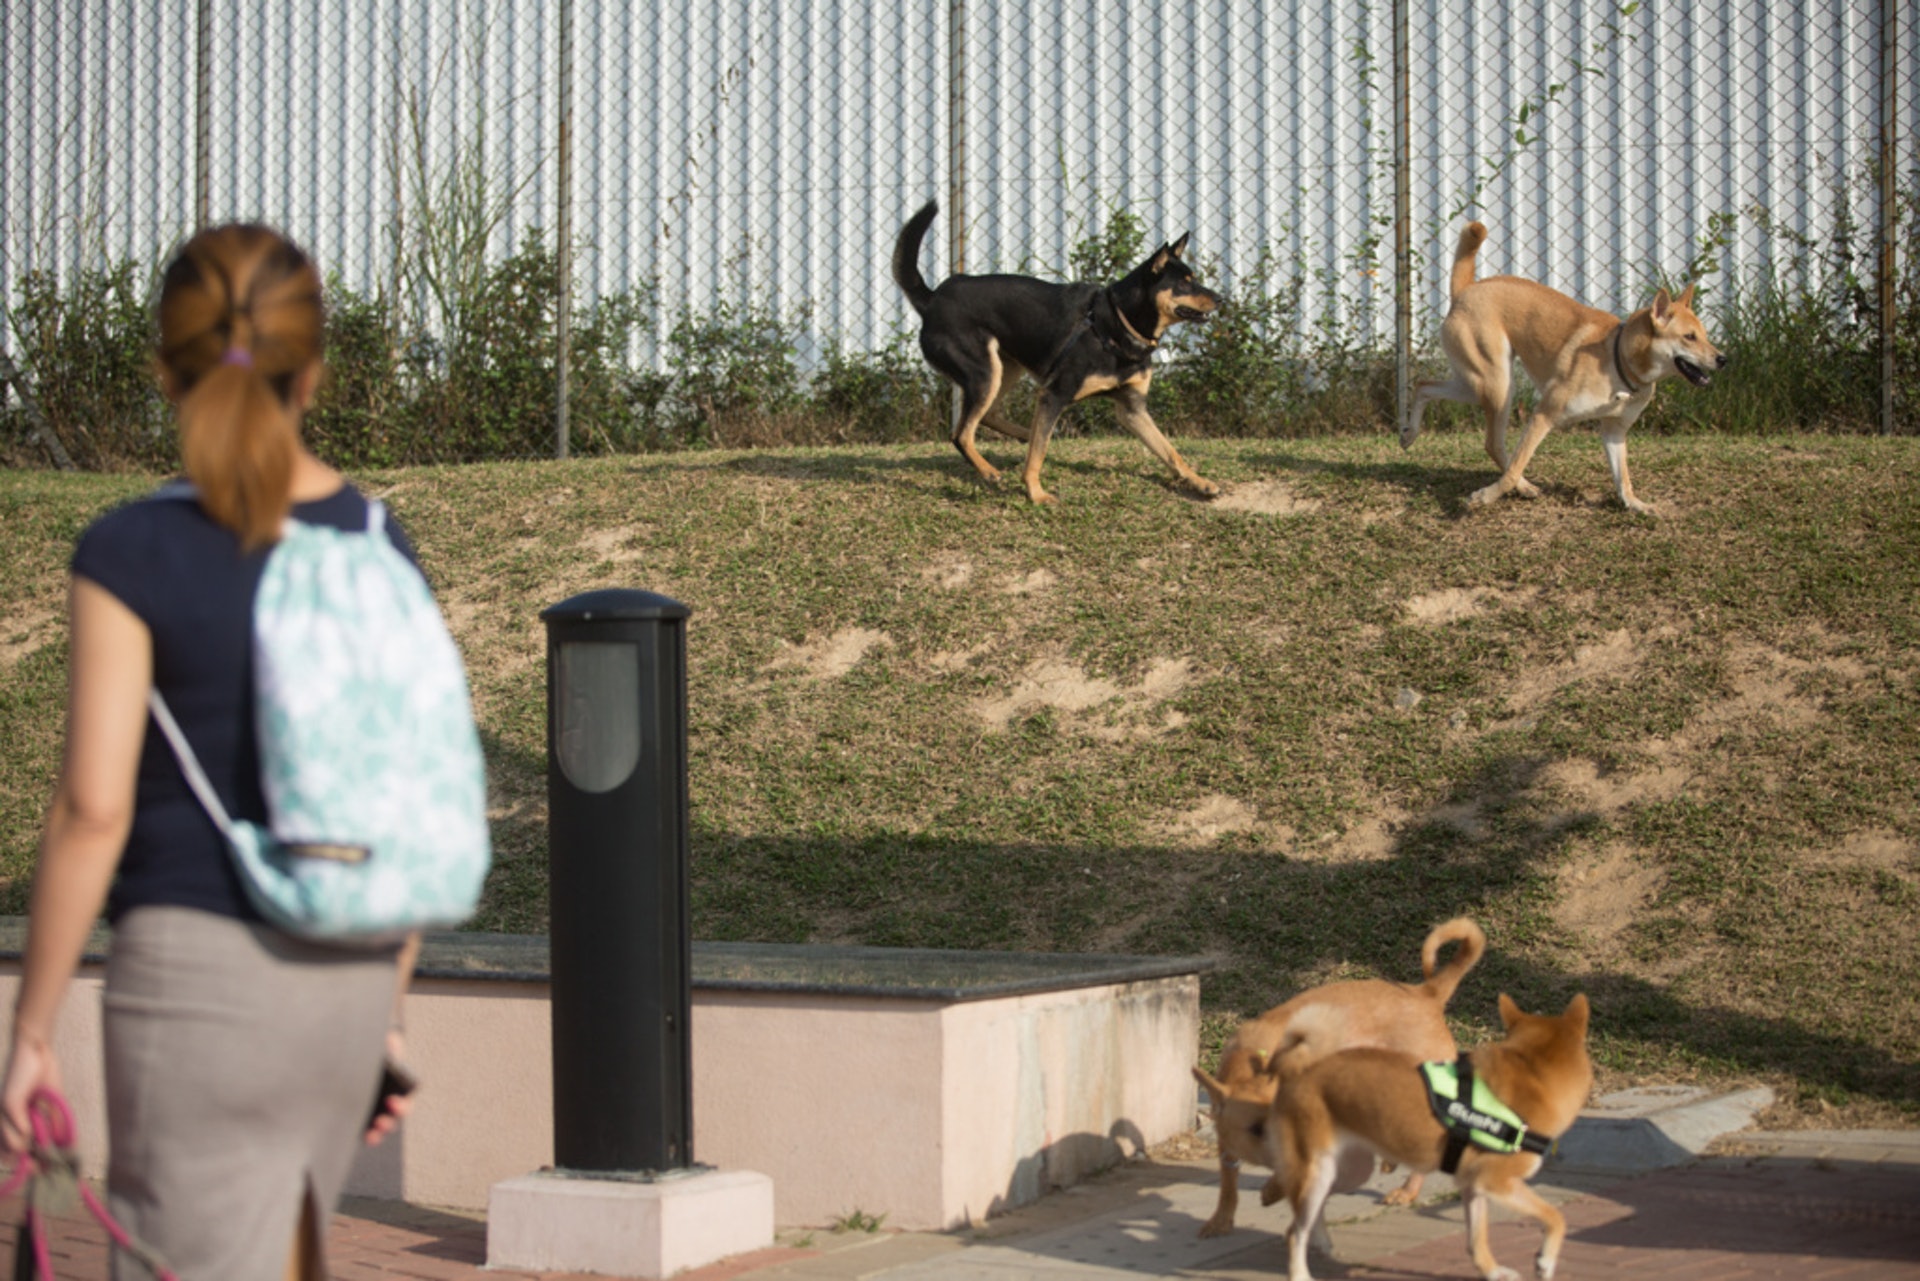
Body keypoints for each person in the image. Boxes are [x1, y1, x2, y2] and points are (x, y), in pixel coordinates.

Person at [2, 224, 423, 1279]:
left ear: (162, 368)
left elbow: (94, 810)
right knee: (287, 1255)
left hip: (190, 978)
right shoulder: (376, 545)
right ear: (314, 370)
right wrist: (388, 1014)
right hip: (343, 978)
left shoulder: (128, 552)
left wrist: (32, 1029)